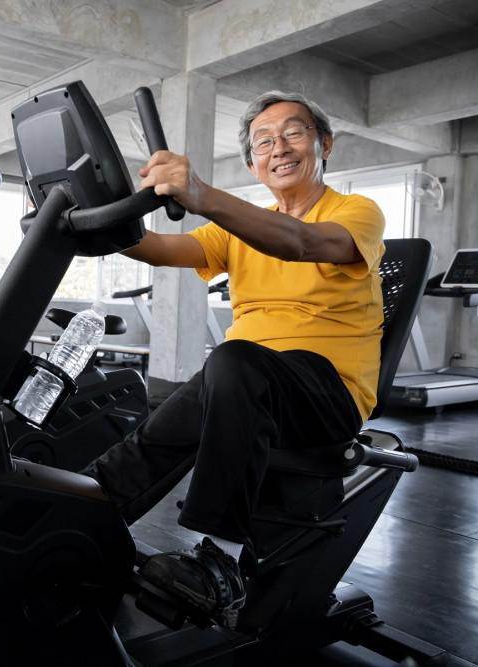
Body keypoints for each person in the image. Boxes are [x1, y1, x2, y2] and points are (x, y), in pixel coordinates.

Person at [82, 91, 386, 626]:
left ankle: (219, 560)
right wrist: (90, 219)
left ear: (324, 144)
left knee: (233, 361)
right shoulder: (239, 228)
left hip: (328, 394)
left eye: (293, 133)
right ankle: (76, 516)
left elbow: (299, 242)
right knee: (159, 434)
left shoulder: (355, 212)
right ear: (252, 164)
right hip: (245, 381)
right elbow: (160, 249)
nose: (279, 148)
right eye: (263, 142)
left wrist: (201, 193)